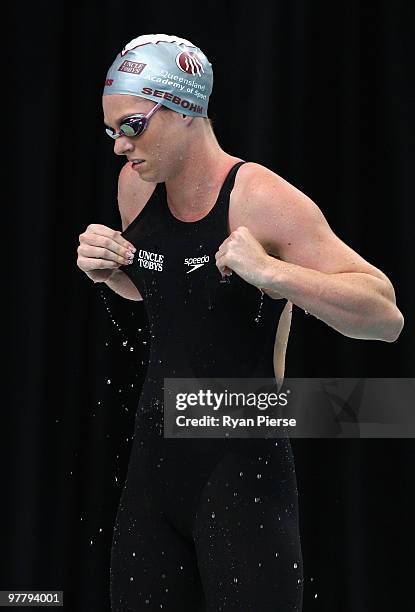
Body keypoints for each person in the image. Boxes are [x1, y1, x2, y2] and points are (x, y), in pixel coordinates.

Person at [77, 34, 404, 611]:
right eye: (111, 132)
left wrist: (276, 276)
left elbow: (384, 317)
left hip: (242, 466)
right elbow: (176, 292)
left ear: (182, 110)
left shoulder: (261, 199)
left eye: (130, 126)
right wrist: (110, 272)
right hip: (154, 462)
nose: (119, 147)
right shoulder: (136, 184)